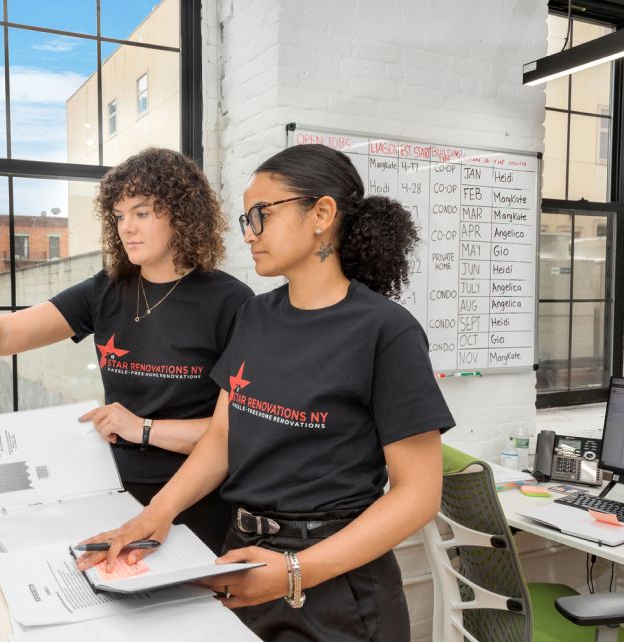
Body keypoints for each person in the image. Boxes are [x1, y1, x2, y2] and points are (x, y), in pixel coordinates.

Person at [75, 144, 455, 641]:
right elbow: (222, 439)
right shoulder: (256, 315)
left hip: (336, 585)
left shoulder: (386, 331)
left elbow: (418, 495)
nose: (249, 233)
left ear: (321, 213)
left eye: (262, 214)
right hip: (244, 560)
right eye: (245, 219)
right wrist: (154, 517)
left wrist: (296, 571)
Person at [0, 148, 254, 553]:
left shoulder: (231, 303)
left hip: (193, 507)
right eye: (119, 215)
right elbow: (7, 331)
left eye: (142, 213)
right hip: (109, 491)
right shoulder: (109, 289)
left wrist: (143, 429)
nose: (126, 227)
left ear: (182, 215)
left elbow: (236, 434)